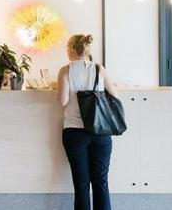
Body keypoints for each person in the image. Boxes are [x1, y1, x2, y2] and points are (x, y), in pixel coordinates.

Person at [56, 34, 118, 210]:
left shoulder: (65, 70)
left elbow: (62, 101)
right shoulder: (99, 69)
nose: (66, 51)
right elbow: (115, 96)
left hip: (75, 133)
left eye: (67, 48)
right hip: (100, 131)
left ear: (73, 49)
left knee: (81, 185)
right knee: (101, 182)